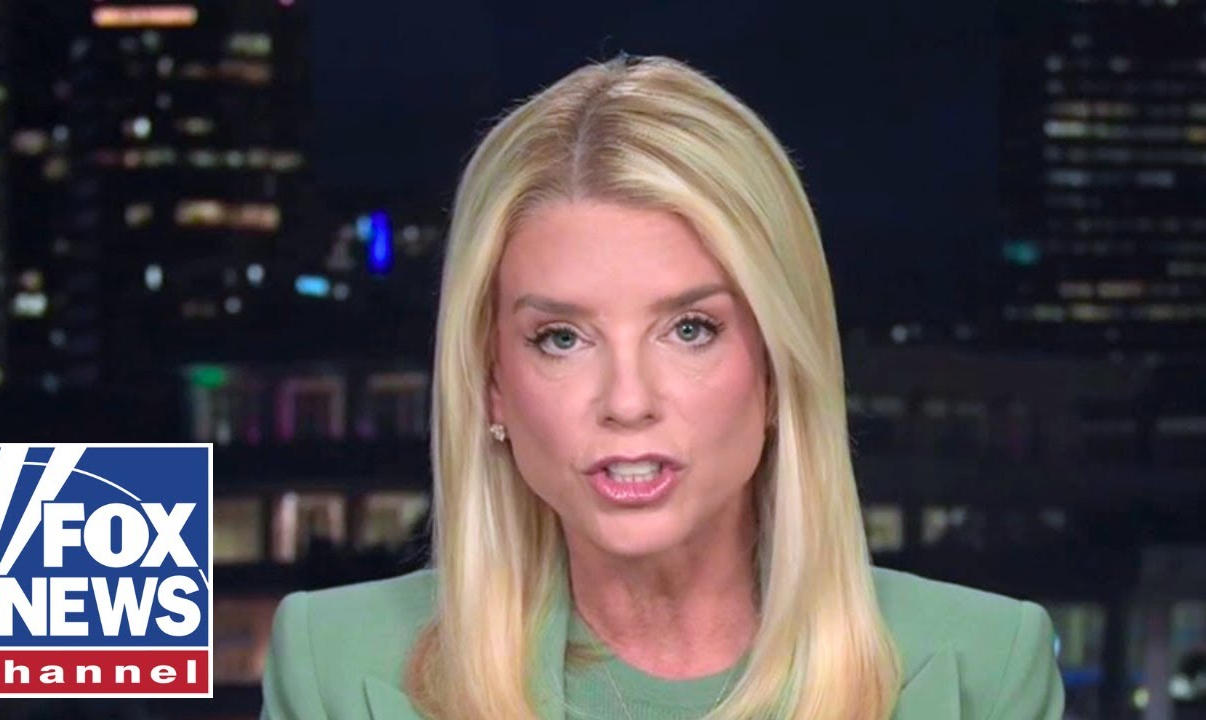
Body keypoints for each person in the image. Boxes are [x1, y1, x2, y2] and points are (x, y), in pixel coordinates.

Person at [259, 53, 1066, 720]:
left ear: (778, 363)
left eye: (690, 329)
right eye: (562, 337)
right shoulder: (335, 667)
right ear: (492, 382)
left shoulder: (983, 669)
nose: (627, 400)